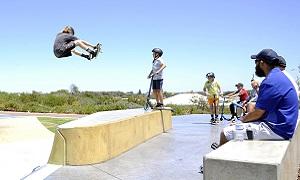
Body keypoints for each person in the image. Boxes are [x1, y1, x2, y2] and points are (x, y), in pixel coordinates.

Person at [218, 49, 298, 146]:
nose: (255, 66)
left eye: (256, 62)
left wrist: (240, 121)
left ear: (262, 63)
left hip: (276, 130)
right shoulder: (280, 76)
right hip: (284, 127)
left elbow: (257, 113)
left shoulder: (270, 81)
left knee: (225, 133)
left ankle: (219, 160)